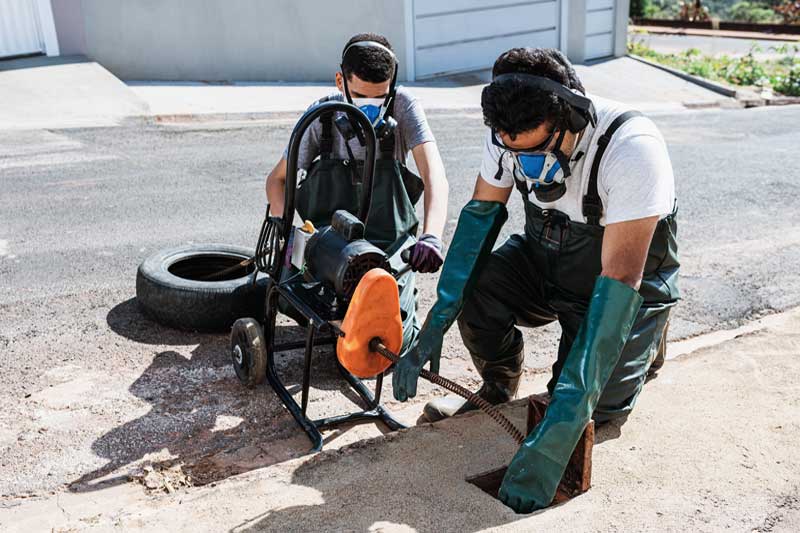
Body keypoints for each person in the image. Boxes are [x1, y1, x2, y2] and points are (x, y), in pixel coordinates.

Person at [392, 47, 679, 512]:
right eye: (512, 149)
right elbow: (478, 225)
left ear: (571, 118)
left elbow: (620, 276)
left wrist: (552, 442)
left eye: (536, 151)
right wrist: (435, 325)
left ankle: (647, 335)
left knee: (593, 409)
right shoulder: (507, 132)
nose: (523, 164)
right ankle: (499, 383)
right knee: (477, 289)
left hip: (619, 282)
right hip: (545, 257)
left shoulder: (630, 147)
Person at [265, 33, 449, 351]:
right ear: (341, 81)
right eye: (362, 96)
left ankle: (400, 309)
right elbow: (276, 180)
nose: (373, 106)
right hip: (329, 246)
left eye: (380, 98)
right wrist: (284, 229)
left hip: (385, 248)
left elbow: (436, 178)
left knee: (392, 342)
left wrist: (432, 236)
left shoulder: (403, 106)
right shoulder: (320, 117)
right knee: (290, 296)